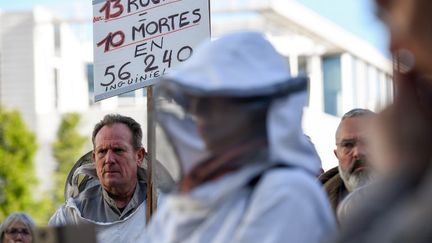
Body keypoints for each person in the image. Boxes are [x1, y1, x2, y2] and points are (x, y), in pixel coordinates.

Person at [147, 31, 336, 243]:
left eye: (211, 106)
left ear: (251, 111)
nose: (200, 121)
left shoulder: (288, 192)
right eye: (196, 109)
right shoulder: (191, 196)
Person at [331, 0, 432, 242]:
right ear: (335, 154)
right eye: (348, 145)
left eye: (411, 24)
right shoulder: (317, 202)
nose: (358, 153)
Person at [49, 114, 173, 242]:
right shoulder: (71, 216)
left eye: (118, 150)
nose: (109, 160)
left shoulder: (165, 209)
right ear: (94, 158)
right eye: (102, 151)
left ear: (139, 156)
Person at [319, 108, 375, 212]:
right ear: (337, 155)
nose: (358, 152)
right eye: (348, 145)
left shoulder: (412, 201)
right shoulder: (314, 207)